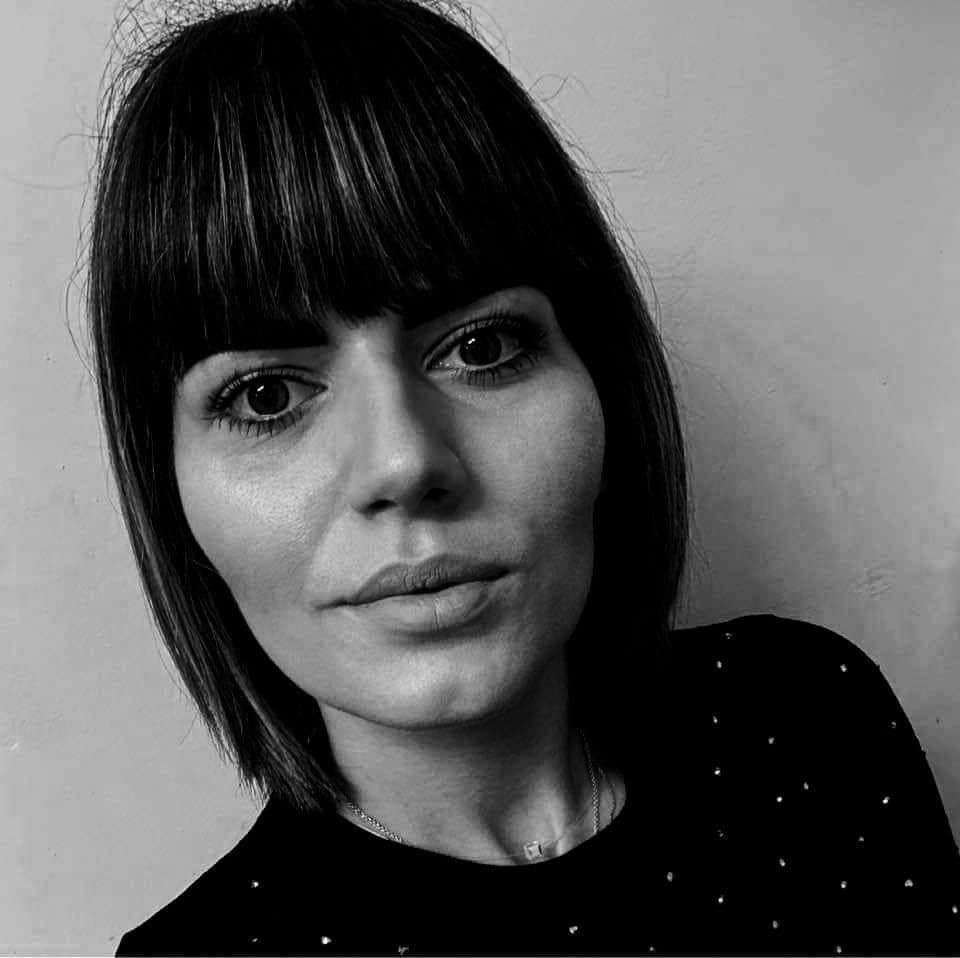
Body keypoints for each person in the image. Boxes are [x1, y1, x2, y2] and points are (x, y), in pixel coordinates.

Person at [87, 0, 960, 953]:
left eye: (482, 346)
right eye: (265, 396)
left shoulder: (805, 720)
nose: (404, 462)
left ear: (602, 379)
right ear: (170, 487)